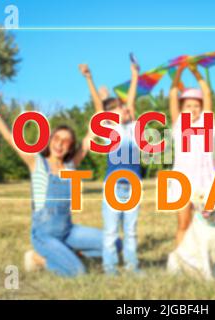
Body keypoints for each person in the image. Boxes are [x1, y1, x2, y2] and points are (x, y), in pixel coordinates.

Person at [0, 85, 103, 277]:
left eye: (66, 142)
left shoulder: (72, 165)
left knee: (112, 243)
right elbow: (8, 135)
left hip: (68, 230)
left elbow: (96, 126)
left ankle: (67, 252)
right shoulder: (36, 162)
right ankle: (37, 258)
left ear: (71, 147)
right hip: (44, 235)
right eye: (57, 138)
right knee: (78, 272)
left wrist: (89, 80)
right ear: (50, 140)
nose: (60, 144)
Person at [79, 61, 142, 275]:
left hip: (134, 184)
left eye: (123, 106)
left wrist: (134, 76)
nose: (123, 109)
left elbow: (131, 101)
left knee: (131, 231)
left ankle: (132, 267)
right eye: (117, 107)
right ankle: (110, 268)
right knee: (111, 231)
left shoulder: (132, 127)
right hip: (114, 186)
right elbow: (99, 106)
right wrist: (89, 78)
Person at [167, 63, 215, 245]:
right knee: (184, 224)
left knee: (205, 224)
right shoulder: (179, 123)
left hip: (205, 180)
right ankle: (181, 262)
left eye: (197, 105)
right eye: (188, 105)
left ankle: (202, 261)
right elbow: (173, 94)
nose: (193, 109)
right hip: (182, 180)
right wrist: (179, 71)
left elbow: (208, 93)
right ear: (182, 108)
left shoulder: (207, 123)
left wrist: (195, 71)